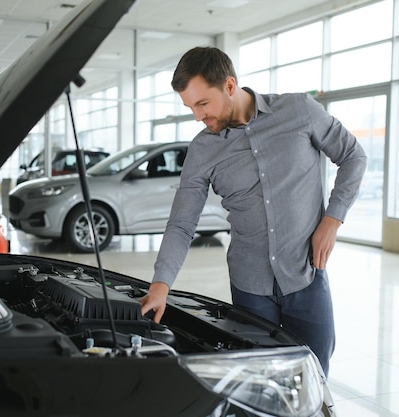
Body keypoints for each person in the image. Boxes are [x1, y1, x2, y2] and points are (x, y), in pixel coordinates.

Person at [139, 46, 367, 377]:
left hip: (307, 276)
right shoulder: (202, 150)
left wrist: (332, 219)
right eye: (190, 107)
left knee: (314, 378)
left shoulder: (300, 111)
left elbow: (353, 156)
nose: (198, 116)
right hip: (250, 288)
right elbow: (181, 224)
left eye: (203, 104)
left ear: (229, 86)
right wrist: (161, 284)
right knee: (259, 383)